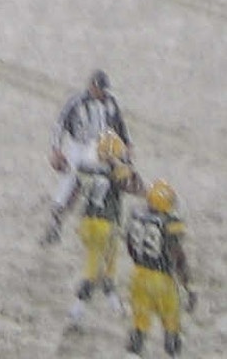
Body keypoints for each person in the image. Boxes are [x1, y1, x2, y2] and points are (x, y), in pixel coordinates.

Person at [45, 70, 130, 243]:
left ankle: (102, 217)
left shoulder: (110, 103)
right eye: (99, 89)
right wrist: (56, 149)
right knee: (68, 183)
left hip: (101, 147)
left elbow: (119, 125)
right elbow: (59, 125)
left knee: (105, 180)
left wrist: (126, 146)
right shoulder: (76, 102)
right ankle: (56, 223)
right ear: (92, 86)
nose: (102, 93)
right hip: (78, 146)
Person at [66, 132, 134, 328]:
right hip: (105, 224)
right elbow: (132, 184)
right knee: (93, 270)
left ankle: (114, 304)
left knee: (108, 263)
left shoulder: (86, 167)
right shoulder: (116, 171)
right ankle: (76, 312)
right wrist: (118, 164)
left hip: (87, 221)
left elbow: (74, 192)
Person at [123, 179, 190, 357]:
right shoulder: (169, 223)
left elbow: (129, 244)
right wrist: (188, 286)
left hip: (138, 275)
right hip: (162, 280)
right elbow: (178, 256)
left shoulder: (136, 215)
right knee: (171, 328)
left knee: (139, 328)